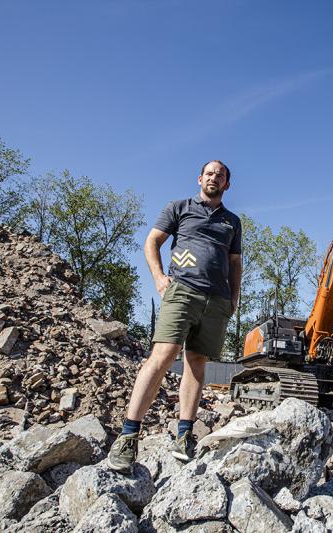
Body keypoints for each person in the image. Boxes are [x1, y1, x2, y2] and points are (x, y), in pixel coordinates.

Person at [106, 160, 242, 473]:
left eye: (220, 175)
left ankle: (184, 436)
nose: (214, 178)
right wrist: (158, 278)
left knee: (197, 364)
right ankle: (128, 436)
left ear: (227, 185)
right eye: (209, 173)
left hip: (217, 300)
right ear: (200, 179)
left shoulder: (232, 222)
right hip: (183, 291)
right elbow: (152, 241)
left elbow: (235, 263)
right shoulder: (179, 208)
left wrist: (233, 298)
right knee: (163, 355)